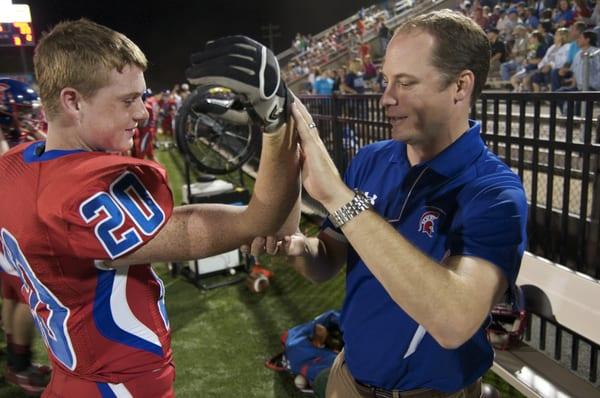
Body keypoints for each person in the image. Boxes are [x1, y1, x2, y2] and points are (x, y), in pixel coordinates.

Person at [0, 19, 299, 397]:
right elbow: (261, 220)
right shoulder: (77, 193)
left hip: (71, 375)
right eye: (128, 100)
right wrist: (276, 122)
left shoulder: (16, 165)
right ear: (73, 101)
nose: (142, 112)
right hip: (115, 387)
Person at [250, 9, 528, 397]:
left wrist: (335, 195)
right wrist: (299, 248)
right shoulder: (371, 159)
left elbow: (454, 321)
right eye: (385, 81)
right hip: (348, 377)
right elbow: (327, 260)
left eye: (406, 83)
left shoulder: (494, 192)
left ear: (460, 86)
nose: (386, 98)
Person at [0, 78, 51, 396]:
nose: (30, 118)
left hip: (4, 223)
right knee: (22, 295)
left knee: (10, 292)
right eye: (23, 112)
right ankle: (19, 366)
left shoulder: (9, 134)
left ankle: (15, 361)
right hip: (6, 224)